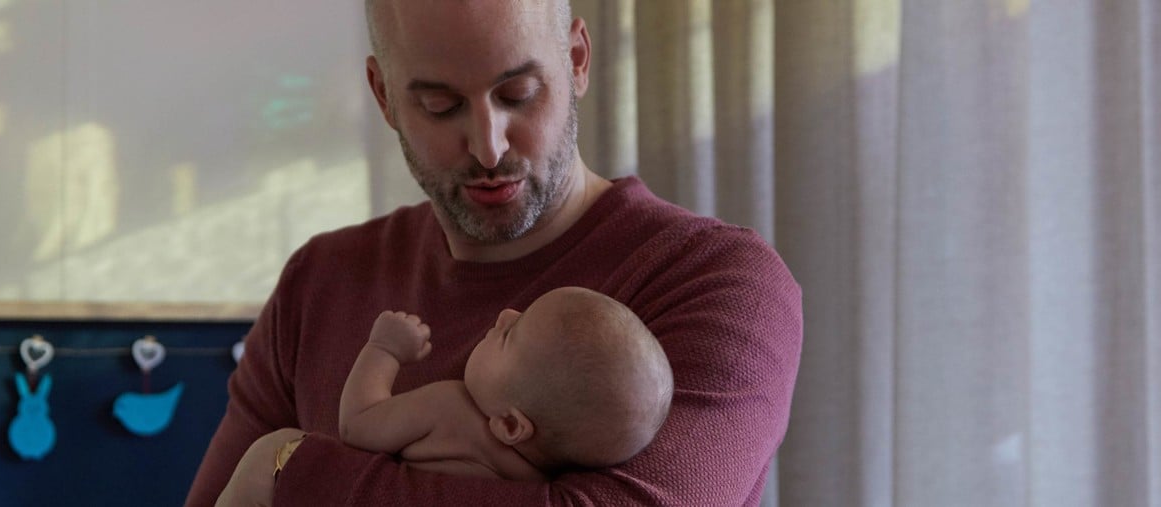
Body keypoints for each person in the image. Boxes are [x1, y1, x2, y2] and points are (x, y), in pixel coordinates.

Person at [186, 0, 802, 504]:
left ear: (578, 61)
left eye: (519, 93)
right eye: (439, 105)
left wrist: (286, 469)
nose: (487, 146)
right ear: (384, 97)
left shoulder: (715, 280)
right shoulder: (319, 281)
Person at [336, 287, 674, 482]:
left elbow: (356, 425)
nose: (506, 313)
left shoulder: (446, 409)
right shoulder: (541, 484)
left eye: (512, 334)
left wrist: (384, 350)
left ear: (510, 424)